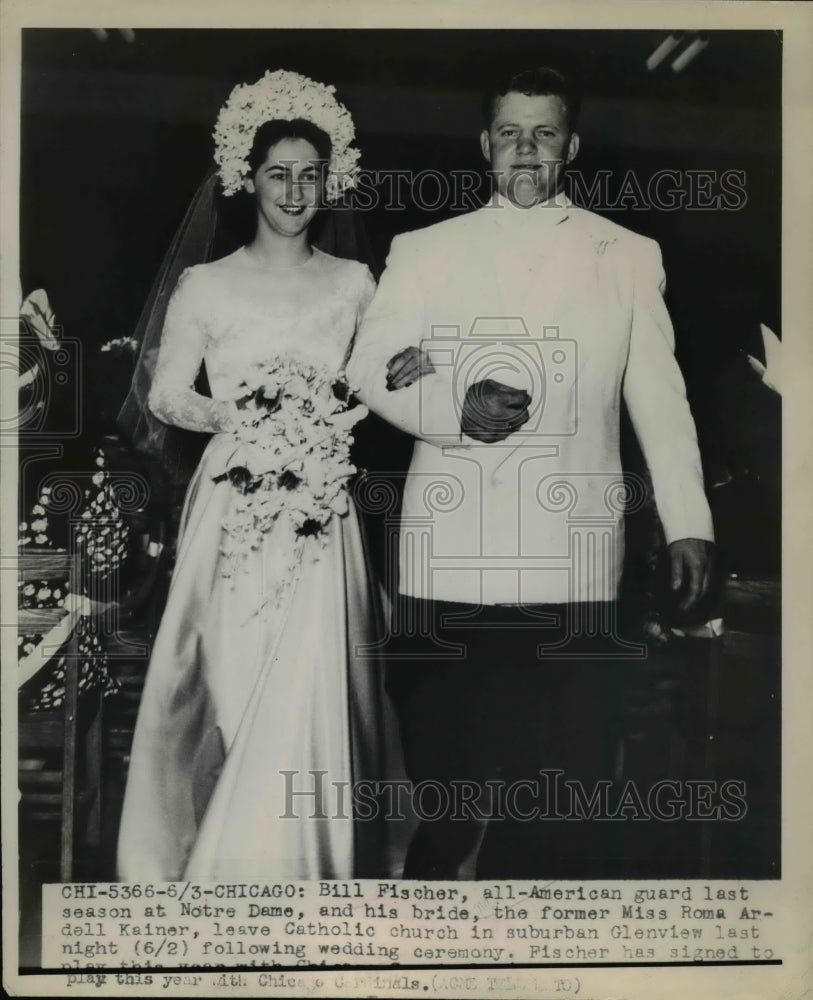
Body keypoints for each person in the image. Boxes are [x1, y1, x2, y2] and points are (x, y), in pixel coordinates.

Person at [347, 66, 715, 878]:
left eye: (542, 132)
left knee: (562, 778)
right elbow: (369, 367)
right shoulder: (423, 250)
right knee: (441, 769)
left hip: (572, 555)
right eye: (509, 131)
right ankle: (434, 922)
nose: (525, 148)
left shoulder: (626, 255)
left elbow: (660, 397)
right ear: (484, 146)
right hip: (449, 547)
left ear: (569, 147)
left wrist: (689, 522)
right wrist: (453, 413)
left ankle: (530, 936)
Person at [117, 70, 397, 881]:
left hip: (320, 507)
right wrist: (248, 419)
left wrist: (328, 417)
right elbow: (166, 395)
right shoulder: (205, 285)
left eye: (309, 175)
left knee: (313, 675)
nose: (294, 190)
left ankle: (308, 868)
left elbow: (372, 385)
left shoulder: (352, 285)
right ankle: (212, 860)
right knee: (230, 674)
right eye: (278, 173)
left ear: (328, 182)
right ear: (247, 177)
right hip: (233, 505)